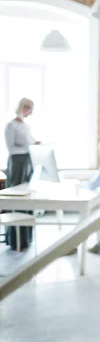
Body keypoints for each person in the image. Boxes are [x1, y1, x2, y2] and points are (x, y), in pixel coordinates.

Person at [4, 97, 40, 250]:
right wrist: (28, 146)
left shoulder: (27, 126)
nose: (29, 112)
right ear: (22, 107)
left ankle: (26, 239)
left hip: (28, 163)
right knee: (16, 198)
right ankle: (15, 241)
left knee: (28, 199)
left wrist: (35, 144)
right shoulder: (10, 126)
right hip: (17, 164)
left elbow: (30, 142)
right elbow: (12, 149)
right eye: (28, 109)